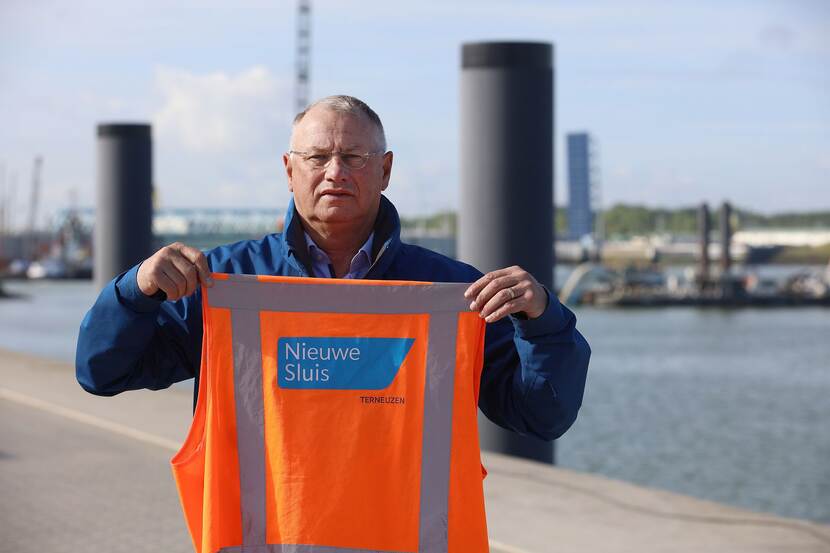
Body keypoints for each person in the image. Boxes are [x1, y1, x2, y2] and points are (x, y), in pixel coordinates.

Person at [76, 95, 590, 441]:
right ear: (289, 169)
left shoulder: (451, 293)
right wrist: (134, 292)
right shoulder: (224, 285)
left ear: (385, 170)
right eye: (318, 157)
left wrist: (541, 320)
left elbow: (541, 414)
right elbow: (101, 372)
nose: (335, 173)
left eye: (354, 156)